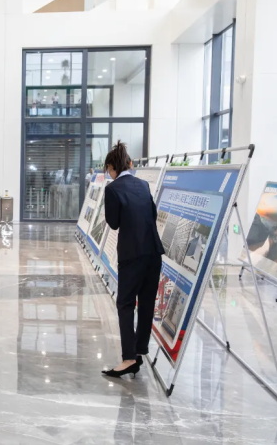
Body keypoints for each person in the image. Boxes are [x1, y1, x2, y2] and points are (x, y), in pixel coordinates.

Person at [101, 141, 164, 378]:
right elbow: (153, 214)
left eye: (108, 169)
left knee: (126, 304)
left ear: (111, 167)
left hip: (131, 254)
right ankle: (140, 349)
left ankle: (129, 359)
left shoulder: (113, 189)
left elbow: (114, 223)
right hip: (153, 251)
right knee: (146, 302)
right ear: (129, 163)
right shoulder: (143, 184)